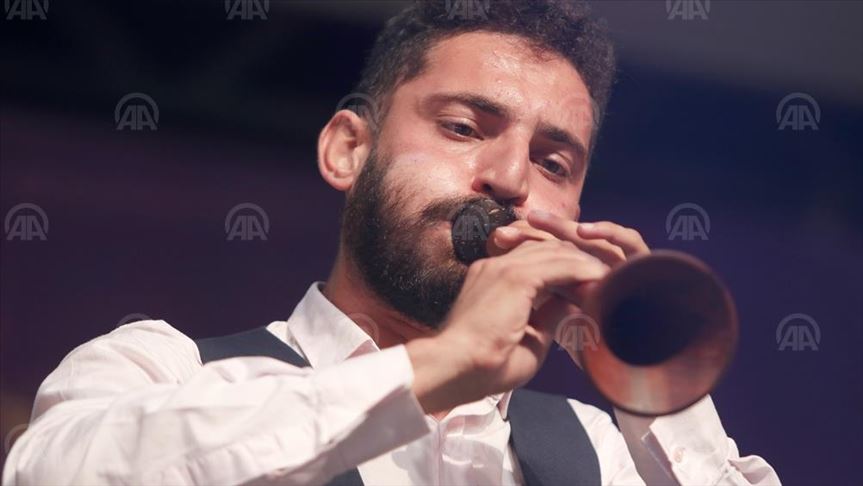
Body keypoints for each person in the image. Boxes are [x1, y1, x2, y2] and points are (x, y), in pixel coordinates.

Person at [3, 1, 781, 485]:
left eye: (553, 163)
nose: (510, 180)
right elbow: (52, 473)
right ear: (349, 149)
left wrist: (647, 375)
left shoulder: (600, 452)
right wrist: (440, 366)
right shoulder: (160, 367)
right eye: (463, 127)